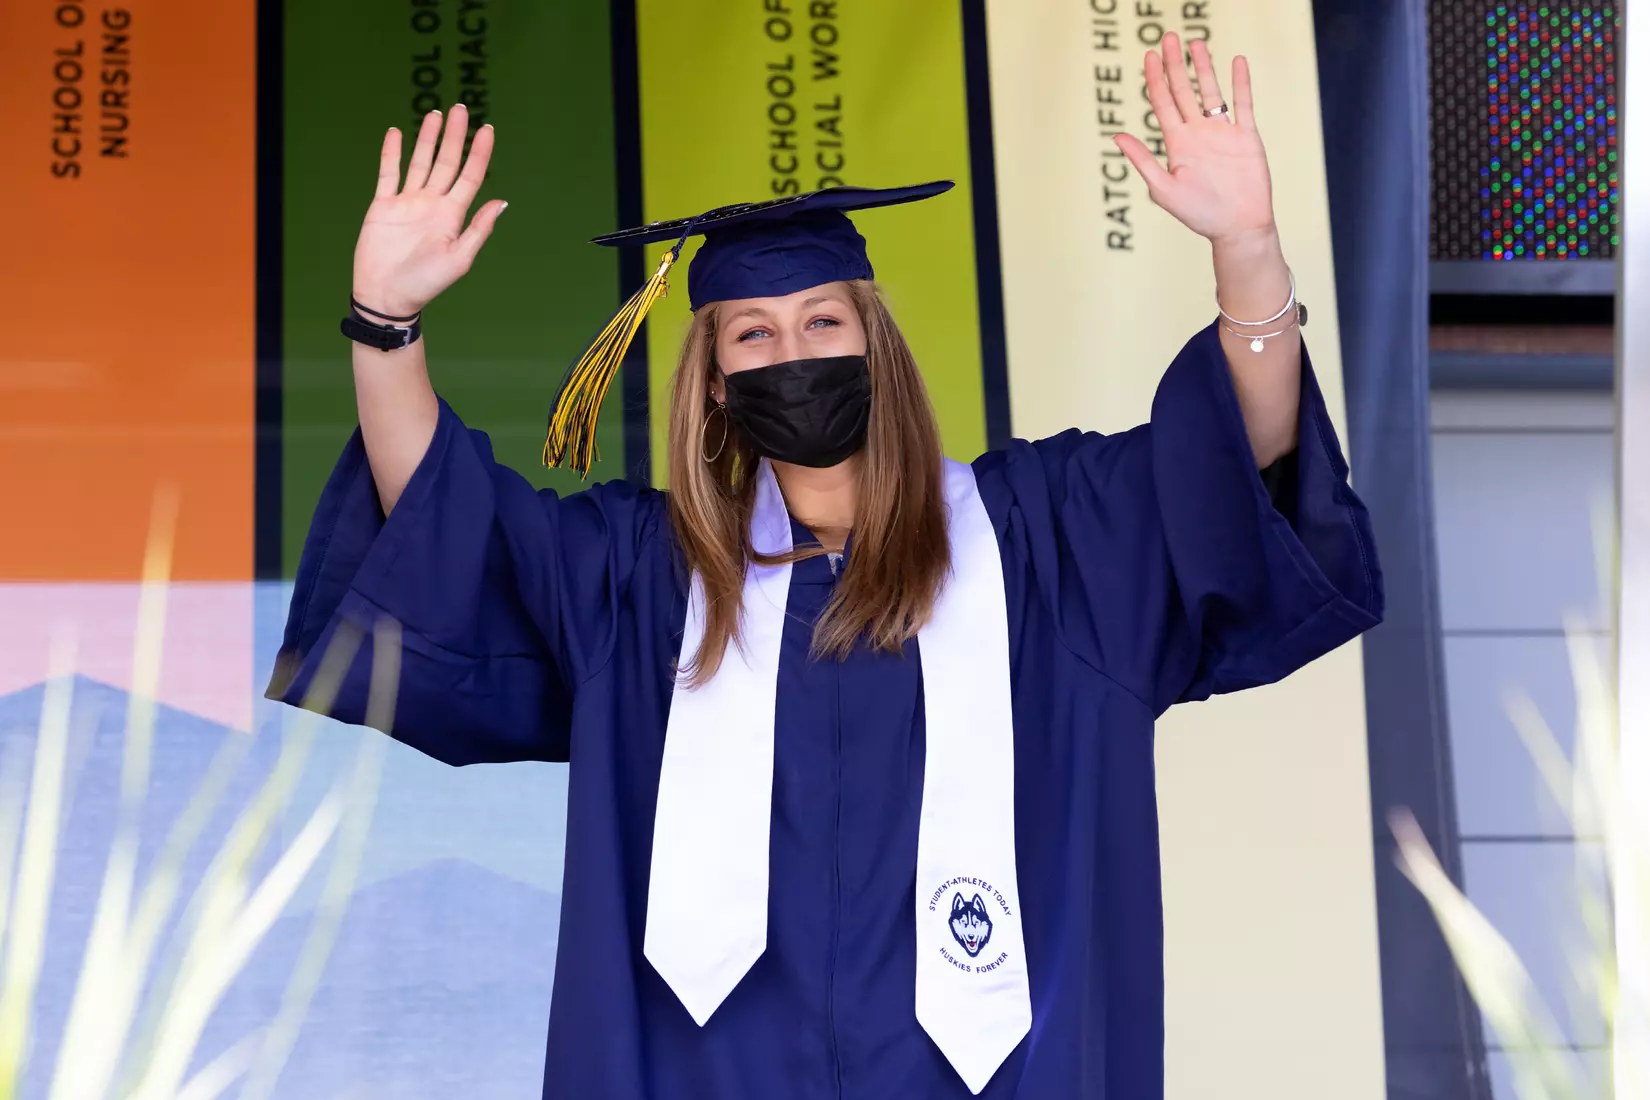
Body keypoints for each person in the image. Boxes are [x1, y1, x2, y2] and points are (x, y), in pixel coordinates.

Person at [268, 34, 1382, 1100]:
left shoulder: (1052, 544)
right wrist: (386, 321)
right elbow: (442, 528)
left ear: (876, 344)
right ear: (711, 379)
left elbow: (1244, 460)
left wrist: (1249, 251)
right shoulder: (639, 582)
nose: (789, 353)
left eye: (819, 321)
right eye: (750, 334)